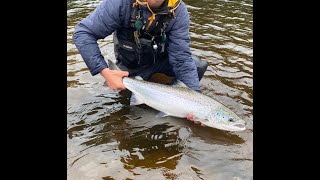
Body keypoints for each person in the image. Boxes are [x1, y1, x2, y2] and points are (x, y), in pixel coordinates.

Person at [73, 0, 208, 125]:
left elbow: (181, 59)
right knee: (126, 105)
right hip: (131, 67)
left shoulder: (178, 10)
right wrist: (105, 71)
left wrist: (194, 102)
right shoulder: (120, 4)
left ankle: (171, 102)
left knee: (197, 67)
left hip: (161, 61)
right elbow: (83, 33)